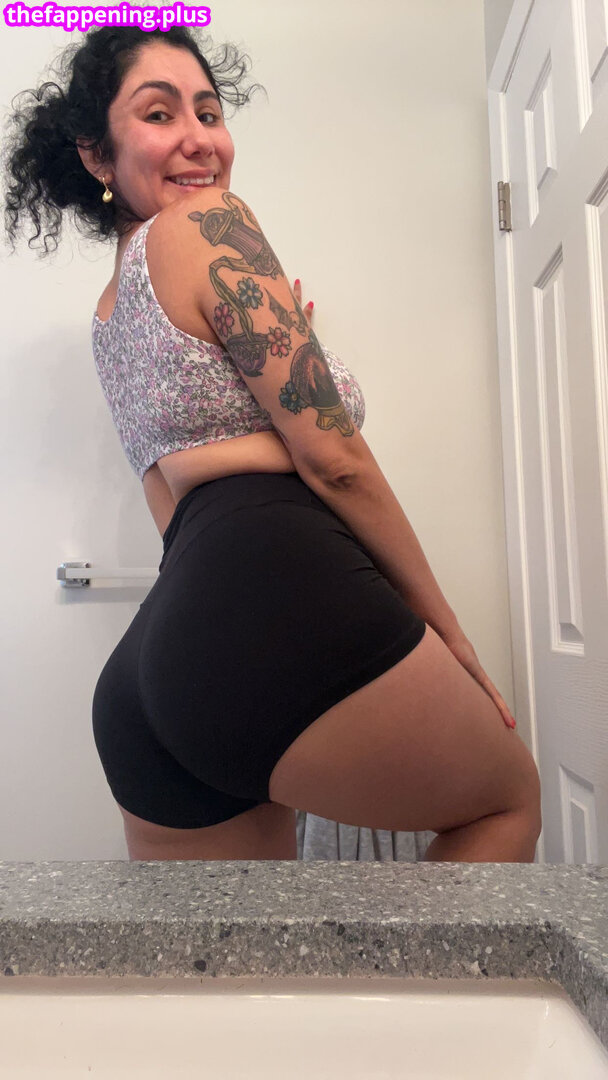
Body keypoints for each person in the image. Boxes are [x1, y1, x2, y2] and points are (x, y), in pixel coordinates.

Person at [3, 26, 541, 864]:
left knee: (235, 942)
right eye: (159, 113)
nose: (198, 137)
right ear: (97, 154)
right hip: (270, 595)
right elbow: (336, 462)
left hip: (151, 674)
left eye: (209, 111)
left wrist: (256, 424)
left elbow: (174, 502)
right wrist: (449, 632)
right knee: (507, 803)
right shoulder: (209, 225)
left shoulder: (110, 316)